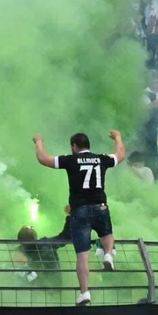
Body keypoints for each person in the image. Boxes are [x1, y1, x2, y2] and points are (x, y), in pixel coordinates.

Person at [34, 131, 126, 306]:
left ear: (74, 147)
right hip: (100, 206)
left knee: (82, 256)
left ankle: (84, 292)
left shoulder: (71, 160)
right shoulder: (101, 159)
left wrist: (39, 142)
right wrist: (118, 138)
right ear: (88, 145)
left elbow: (43, 159)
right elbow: (121, 155)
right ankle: (107, 255)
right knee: (106, 234)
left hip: (80, 211)